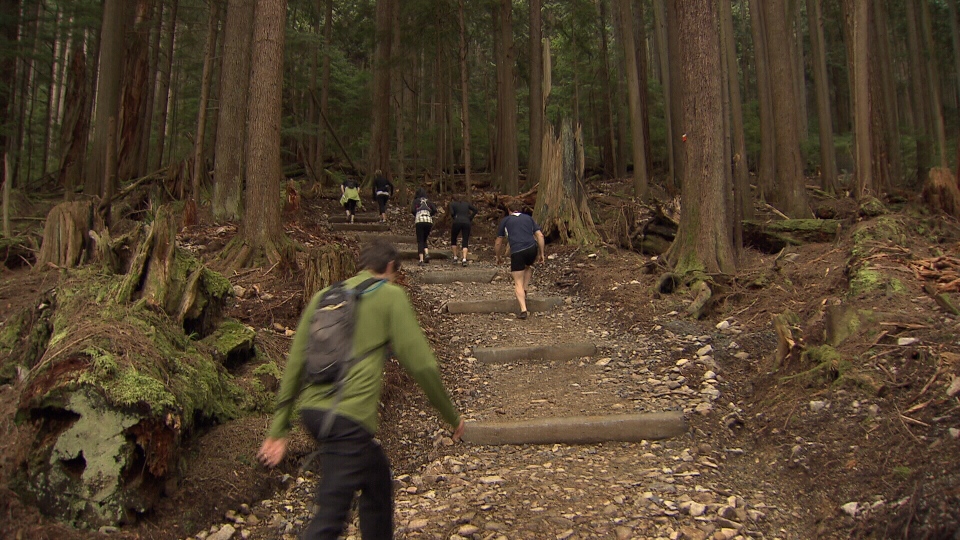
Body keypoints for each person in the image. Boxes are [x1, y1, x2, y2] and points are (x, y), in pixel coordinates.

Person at [258, 239, 466, 540]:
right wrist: (450, 415)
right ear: (391, 268)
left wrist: (279, 428)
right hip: (348, 420)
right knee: (330, 518)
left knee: (377, 477)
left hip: (314, 413)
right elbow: (421, 365)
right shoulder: (390, 296)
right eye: (396, 274)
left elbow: (295, 364)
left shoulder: (323, 297)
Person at [494, 201, 545, 320]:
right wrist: (542, 253)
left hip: (517, 250)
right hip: (532, 248)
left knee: (517, 281)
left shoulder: (505, 221)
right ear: (521, 210)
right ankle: (525, 288)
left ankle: (523, 310)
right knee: (527, 266)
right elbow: (540, 236)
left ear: (509, 210)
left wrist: (498, 256)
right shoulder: (528, 218)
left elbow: (498, 242)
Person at [449, 196, 478, 267]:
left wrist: (455, 217)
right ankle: (464, 259)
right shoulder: (466, 204)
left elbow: (452, 213)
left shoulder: (452, 204)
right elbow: (475, 210)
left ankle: (455, 257)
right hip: (466, 222)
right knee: (465, 239)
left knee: (453, 238)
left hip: (457, 222)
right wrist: (470, 217)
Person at [411, 187, 437, 265]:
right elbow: (435, 210)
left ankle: (421, 260)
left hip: (419, 221)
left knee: (420, 240)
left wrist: (417, 214)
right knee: (425, 239)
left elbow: (412, 210)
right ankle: (427, 253)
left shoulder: (416, 201)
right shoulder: (428, 201)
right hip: (429, 221)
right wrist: (430, 215)